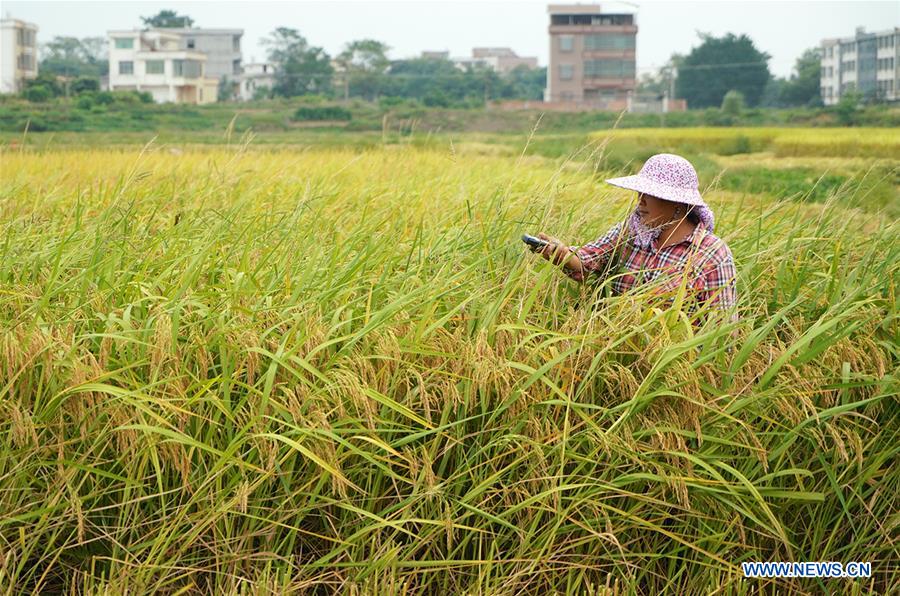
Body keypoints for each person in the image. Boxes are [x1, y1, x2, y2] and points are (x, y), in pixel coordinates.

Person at [532, 153, 737, 322]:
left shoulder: (711, 253)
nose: (641, 201)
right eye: (640, 192)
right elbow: (587, 262)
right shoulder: (629, 233)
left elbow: (723, 328)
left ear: (678, 202)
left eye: (650, 194)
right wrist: (560, 254)